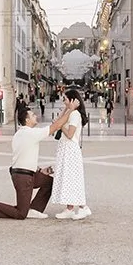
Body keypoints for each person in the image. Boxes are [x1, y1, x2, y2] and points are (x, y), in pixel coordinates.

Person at [0, 103, 65, 221]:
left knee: (49, 182)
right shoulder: (30, 133)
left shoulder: (20, 134)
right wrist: (69, 110)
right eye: (32, 115)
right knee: (21, 213)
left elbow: (25, 156)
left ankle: (34, 210)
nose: (36, 116)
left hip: (26, 174)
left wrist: (40, 170)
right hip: (23, 177)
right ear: (27, 120)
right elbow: (55, 127)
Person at [52, 89, 91, 220]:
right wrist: (65, 110)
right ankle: (70, 208)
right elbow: (58, 120)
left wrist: (60, 125)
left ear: (73, 100)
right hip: (65, 149)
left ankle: (83, 207)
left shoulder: (75, 115)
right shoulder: (70, 113)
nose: (63, 101)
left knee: (73, 179)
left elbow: (69, 134)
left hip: (70, 149)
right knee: (67, 178)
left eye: (65, 99)